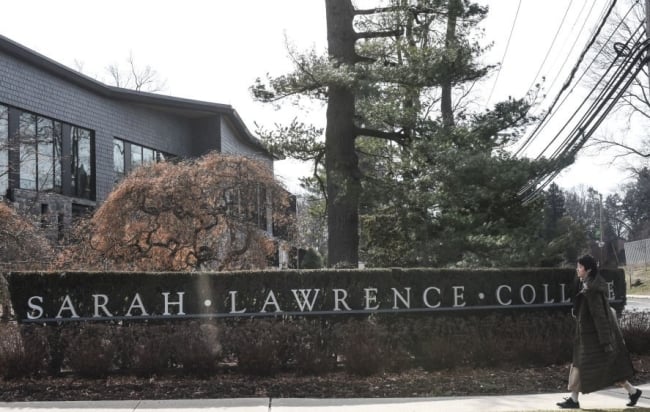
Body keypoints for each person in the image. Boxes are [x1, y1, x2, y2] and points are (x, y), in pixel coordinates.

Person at [557, 254, 642, 409]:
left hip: (594, 338)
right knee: (586, 365)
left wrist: (605, 341)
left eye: (580, 267)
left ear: (588, 269)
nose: (577, 269)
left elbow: (600, 316)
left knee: (598, 365)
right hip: (588, 335)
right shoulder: (588, 285)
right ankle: (632, 391)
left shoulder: (592, 290)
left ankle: (574, 400)